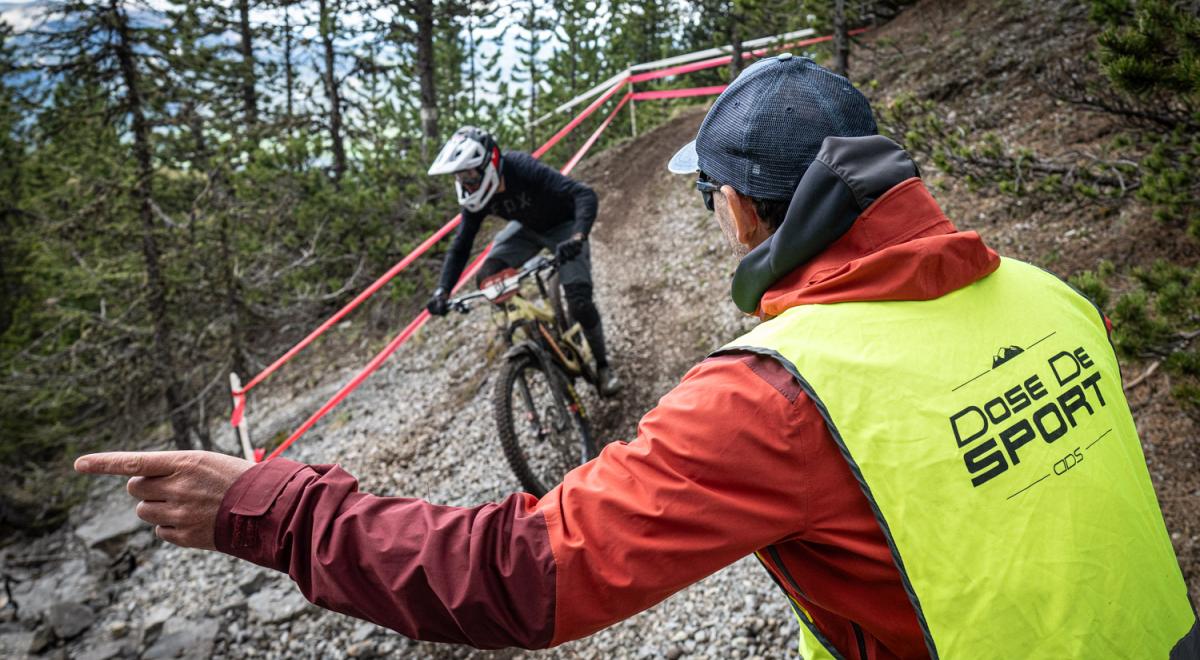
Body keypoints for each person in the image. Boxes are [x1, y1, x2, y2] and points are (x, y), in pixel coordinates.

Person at [75, 55, 1196, 659]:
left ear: (749, 216)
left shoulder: (784, 392)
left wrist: (275, 508)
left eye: (711, 200)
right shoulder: (1051, 295)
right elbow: (467, 237)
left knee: (570, 289)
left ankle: (594, 363)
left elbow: (519, 576)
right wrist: (447, 287)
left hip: (570, 223)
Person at [424, 126, 621, 396]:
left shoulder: (519, 166)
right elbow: (461, 246)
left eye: (468, 173)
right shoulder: (476, 199)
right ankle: (537, 335)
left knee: (579, 301)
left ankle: (602, 366)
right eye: (459, 176)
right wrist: (442, 290)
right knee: (487, 276)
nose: (465, 182)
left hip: (564, 226)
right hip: (526, 232)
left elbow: (583, 194)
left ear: (489, 163)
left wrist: (578, 236)